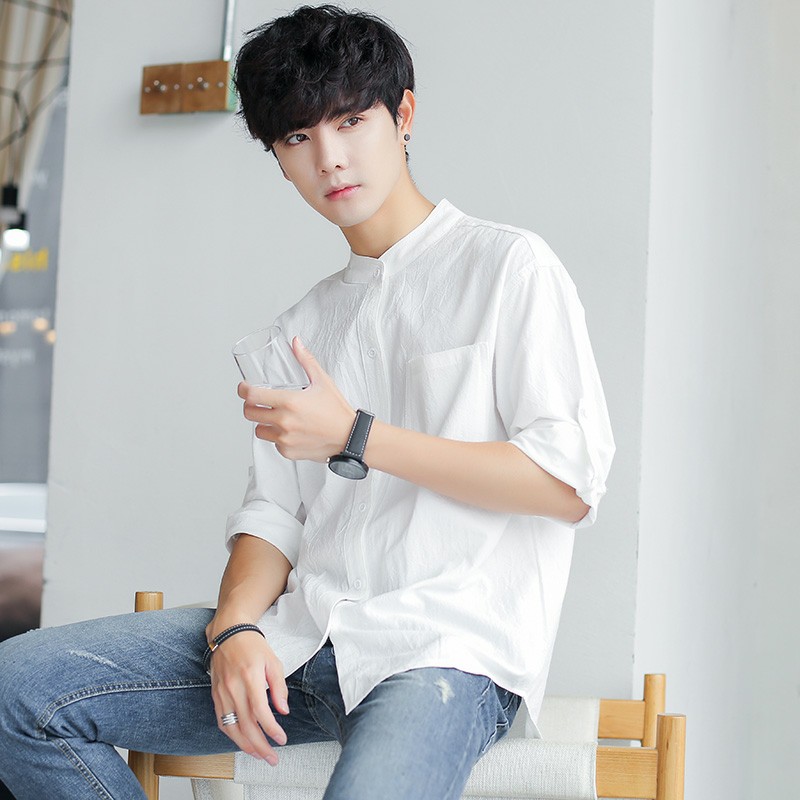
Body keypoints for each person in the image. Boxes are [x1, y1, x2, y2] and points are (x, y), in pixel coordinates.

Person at [0, 5, 615, 799]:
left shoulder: (508, 269)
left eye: (351, 121)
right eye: (297, 137)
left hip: (444, 651)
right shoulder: (297, 331)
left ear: (404, 115)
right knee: (16, 693)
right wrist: (235, 626)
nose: (329, 158)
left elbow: (566, 483)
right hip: (298, 636)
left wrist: (356, 434)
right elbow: (274, 516)